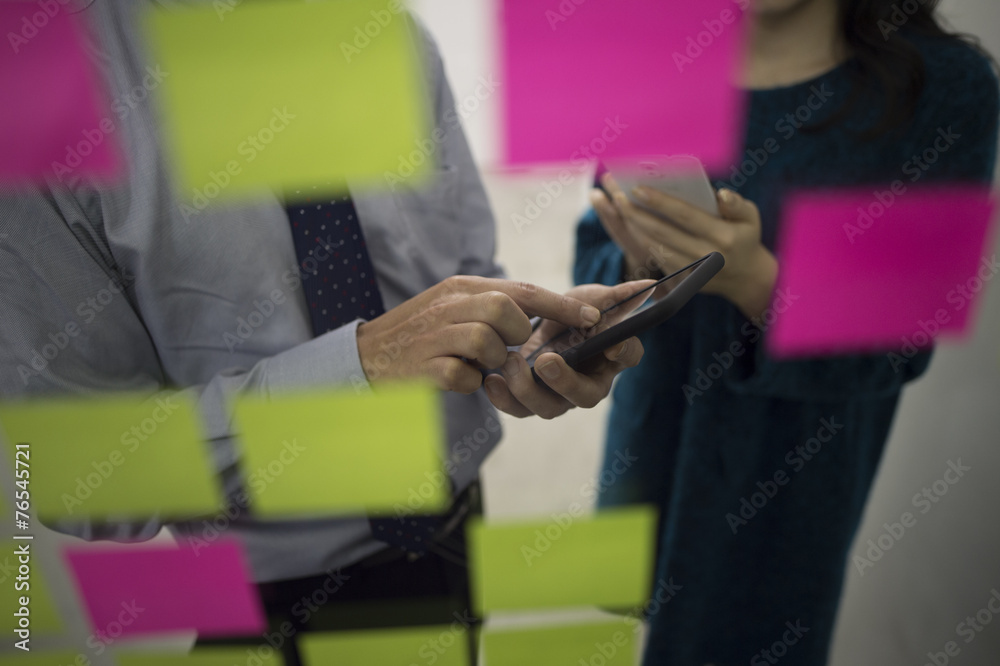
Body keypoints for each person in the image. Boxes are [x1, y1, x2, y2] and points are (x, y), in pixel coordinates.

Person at [0, 1, 645, 664]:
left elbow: (464, 275)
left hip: (452, 535)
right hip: (262, 596)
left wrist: (527, 347)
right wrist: (358, 367)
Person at [575, 0, 999, 664]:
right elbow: (591, 264)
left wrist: (755, 280)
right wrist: (640, 261)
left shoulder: (945, 89)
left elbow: (901, 345)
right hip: (650, 450)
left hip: (785, 499)